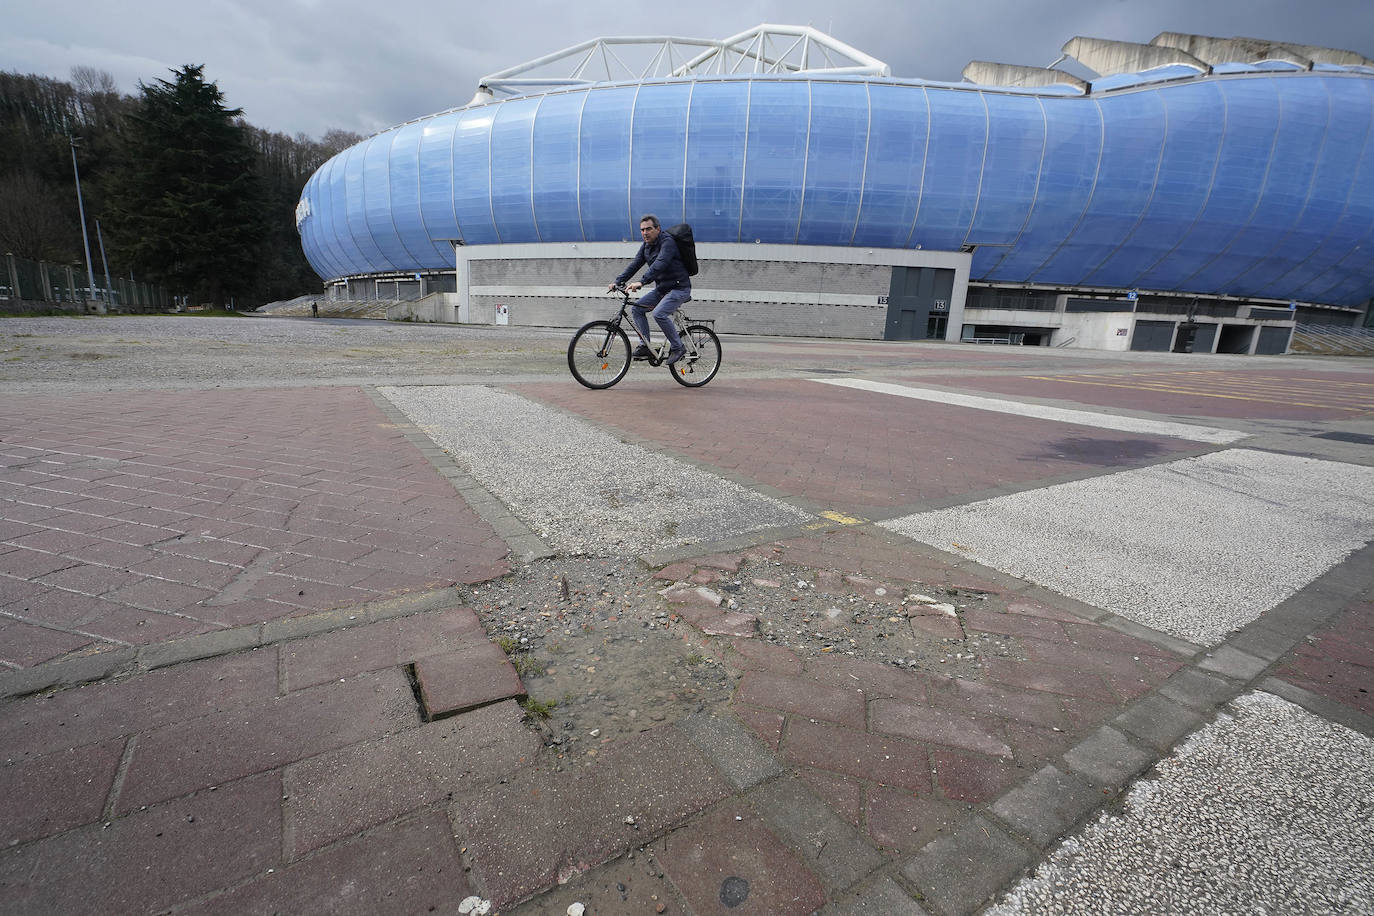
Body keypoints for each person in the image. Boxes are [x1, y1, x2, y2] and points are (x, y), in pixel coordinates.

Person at [608, 215, 690, 365]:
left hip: (679, 288)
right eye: (642, 230)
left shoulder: (668, 242)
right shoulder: (646, 246)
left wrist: (642, 281)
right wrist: (618, 281)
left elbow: (660, 264)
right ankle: (645, 345)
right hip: (662, 290)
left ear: (658, 229)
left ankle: (678, 347)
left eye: (648, 229)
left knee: (659, 313)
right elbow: (635, 264)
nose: (645, 233)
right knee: (637, 310)